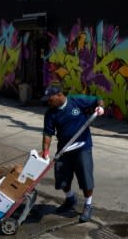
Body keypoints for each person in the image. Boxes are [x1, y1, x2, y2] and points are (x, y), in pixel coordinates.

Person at [40, 83, 104, 223]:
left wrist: (100, 107)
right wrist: (45, 151)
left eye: (49, 99)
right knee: (62, 178)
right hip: (64, 149)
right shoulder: (50, 113)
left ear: (59, 95)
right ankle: (70, 199)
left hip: (82, 146)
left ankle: (88, 205)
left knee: (86, 178)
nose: (47, 102)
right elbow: (48, 133)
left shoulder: (76, 100)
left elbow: (97, 99)